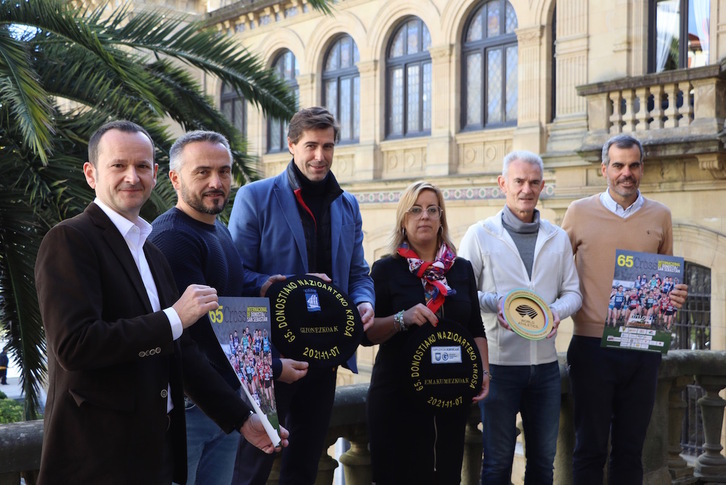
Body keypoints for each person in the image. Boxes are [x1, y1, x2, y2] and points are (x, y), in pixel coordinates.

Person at [34, 120, 286, 485]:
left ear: (155, 174)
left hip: (156, 452)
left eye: (141, 166)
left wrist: (243, 419)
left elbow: (179, 352)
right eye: (118, 166)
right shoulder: (70, 239)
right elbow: (75, 346)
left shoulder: (150, 251)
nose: (132, 177)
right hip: (97, 458)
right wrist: (173, 318)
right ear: (91, 174)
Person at [228, 107, 375, 485]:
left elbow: (358, 273)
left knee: (306, 464)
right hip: (267, 353)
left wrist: (364, 301)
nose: (320, 156)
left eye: (328, 146)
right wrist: (281, 283)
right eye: (311, 145)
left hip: (325, 354)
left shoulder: (349, 205)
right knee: (250, 467)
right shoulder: (254, 196)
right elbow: (233, 275)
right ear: (292, 145)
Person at [149, 130, 278, 484]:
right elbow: (188, 340)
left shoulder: (216, 229)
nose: (216, 182)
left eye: (224, 171)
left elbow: (226, 311)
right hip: (191, 407)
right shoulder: (173, 238)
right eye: (202, 172)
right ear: (174, 178)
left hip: (224, 402)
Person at [561, 134, 688, 484]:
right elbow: (558, 271)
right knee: (589, 449)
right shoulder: (578, 212)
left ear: (642, 169)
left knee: (631, 450)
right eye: (618, 165)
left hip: (642, 347)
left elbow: (665, 281)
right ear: (605, 169)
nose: (626, 173)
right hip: (591, 347)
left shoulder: (661, 216)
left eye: (633, 165)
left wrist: (674, 297)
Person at [458, 151, 582, 485]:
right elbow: (460, 294)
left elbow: (573, 293)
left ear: (542, 186)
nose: (526, 189)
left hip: (545, 369)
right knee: (496, 464)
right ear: (503, 184)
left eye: (533, 182)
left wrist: (554, 312)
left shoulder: (557, 238)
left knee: (543, 464)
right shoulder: (479, 234)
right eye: (519, 181)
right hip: (498, 368)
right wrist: (497, 302)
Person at [364, 181, 490, 484]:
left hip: (450, 390)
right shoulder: (385, 270)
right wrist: (401, 318)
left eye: (433, 210)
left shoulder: (460, 269)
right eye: (416, 210)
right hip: (397, 396)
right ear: (404, 221)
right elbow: (365, 334)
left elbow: (475, 326)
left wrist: (483, 371)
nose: (425, 216)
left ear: (441, 219)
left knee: (446, 475)